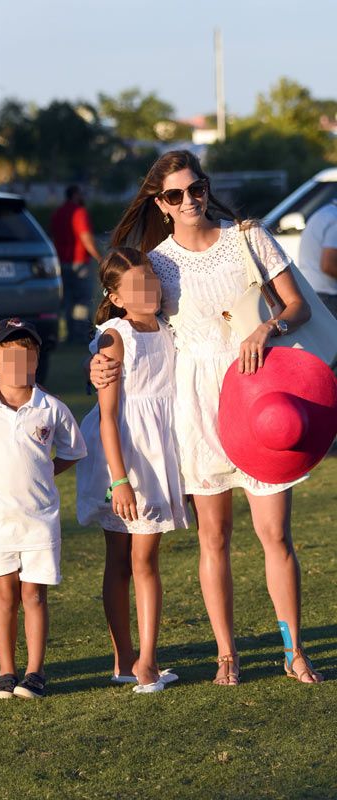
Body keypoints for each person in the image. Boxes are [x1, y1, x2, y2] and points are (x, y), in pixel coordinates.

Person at [90, 150, 323, 685]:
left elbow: (297, 307)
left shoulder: (249, 236)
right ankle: (227, 656)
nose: (190, 200)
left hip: (261, 395)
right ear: (160, 203)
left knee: (276, 534)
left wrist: (268, 329)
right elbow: (126, 322)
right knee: (212, 538)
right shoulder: (158, 262)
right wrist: (100, 360)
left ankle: (293, 650)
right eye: (175, 194)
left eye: (196, 188)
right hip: (196, 405)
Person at [76, 249, 188, 692]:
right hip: (120, 457)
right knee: (121, 559)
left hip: (158, 453)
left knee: (145, 557)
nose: (150, 292)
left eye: (152, 282)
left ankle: (146, 658)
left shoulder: (167, 329)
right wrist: (119, 480)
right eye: (137, 287)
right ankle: (130, 660)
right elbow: (107, 416)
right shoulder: (113, 336)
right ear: (117, 298)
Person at [0, 318, 86, 699]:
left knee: (34, 596)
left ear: (36, 362)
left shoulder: (51, 408)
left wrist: (44, 474)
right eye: (9, 357)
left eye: (27, 357)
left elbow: (73, 450)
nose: (18, 365)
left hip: (39, 520)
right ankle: (6, 671)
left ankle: (34, 672)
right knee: (4, 596)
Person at [51, 185, 101, 343]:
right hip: (79, 263)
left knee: (67, 301)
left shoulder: (57, 213)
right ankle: (79, 336)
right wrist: (100, 258)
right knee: (82, 300)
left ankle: (70, 335)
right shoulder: (79, 212)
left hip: (62, 263)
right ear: (75, 195)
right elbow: (85, 237)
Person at [298, 199, 337, 319]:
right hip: (327, 297)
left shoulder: (325, 212)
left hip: (313, 293)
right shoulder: (335, 218)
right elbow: (328, 265)